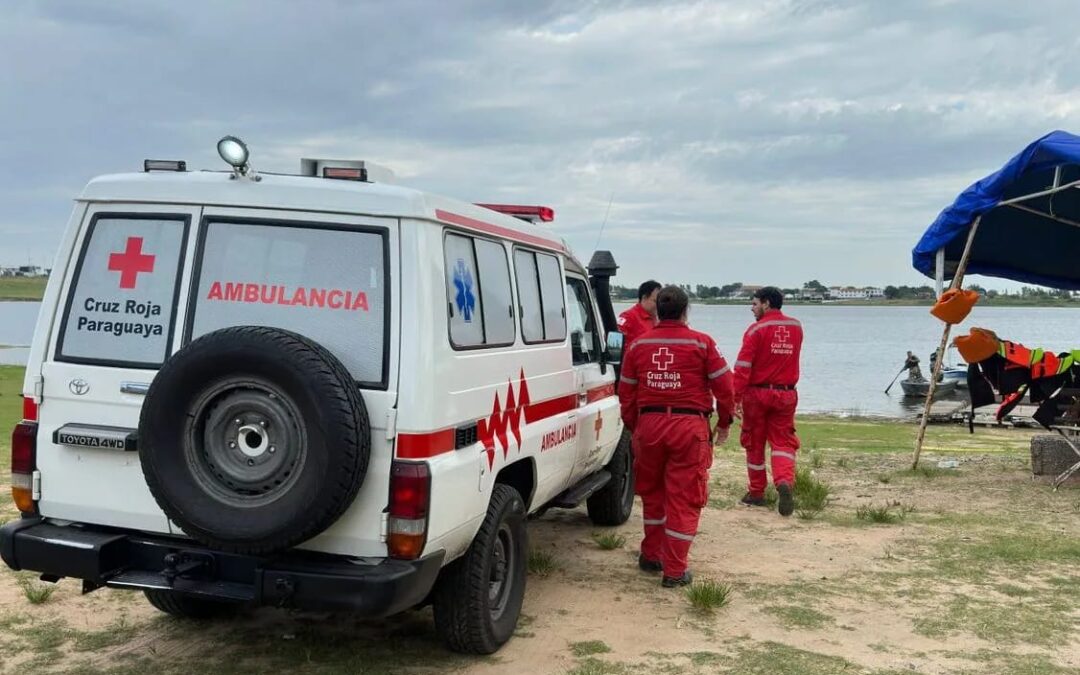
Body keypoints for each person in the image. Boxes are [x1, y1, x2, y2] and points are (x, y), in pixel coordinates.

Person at [617, 285, 735, 587]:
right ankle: (674, 570)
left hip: (650, 426)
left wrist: (635, 427)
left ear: (658, 310)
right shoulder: (703, 344)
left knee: (654, 496)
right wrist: (724, 423)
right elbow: (726, 390)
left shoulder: (638, 345)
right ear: (685, 311)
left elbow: (626, 394)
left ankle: (651, 556)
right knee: (684, 499)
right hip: (688, 427)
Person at [733, 286, 804, 517]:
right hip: (786, 394)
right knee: (783, 442)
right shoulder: (796, 327)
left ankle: (756, 492)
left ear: (766, 303)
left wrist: (734, 398)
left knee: (754, 442)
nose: (752, 309)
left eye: (754, 304)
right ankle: (784, 481)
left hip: (757, 394)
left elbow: (743, 368)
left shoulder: (755, 330)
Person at [618, 280, 661, 347]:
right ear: (644, 298)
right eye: (655, 301)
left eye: (660, 302)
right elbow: (617, 345)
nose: (659, 305)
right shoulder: (628, 317)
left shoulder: (658, 318)